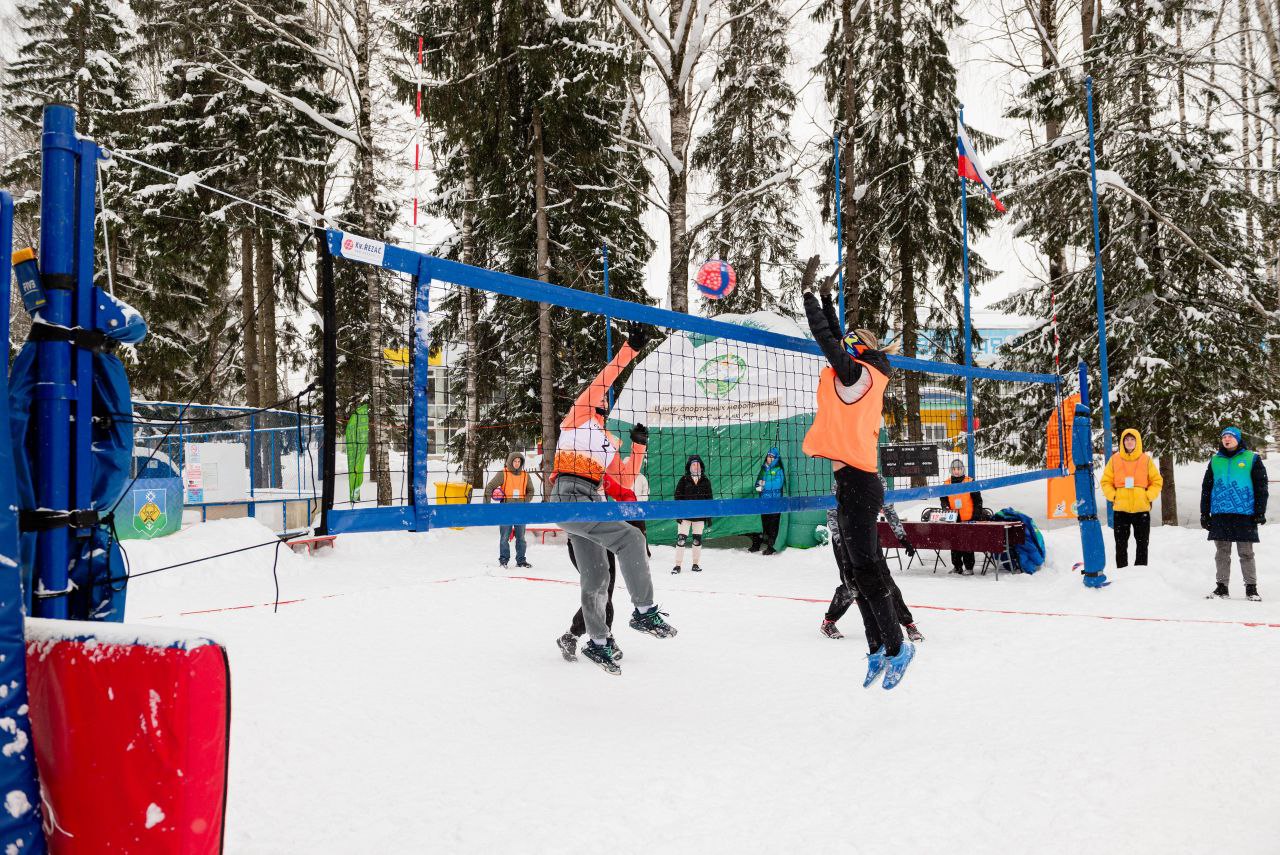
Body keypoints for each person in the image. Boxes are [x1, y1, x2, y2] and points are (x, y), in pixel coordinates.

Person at [799, 255, 915, 690]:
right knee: (854, 574)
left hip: (860, 485)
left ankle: (898, 647)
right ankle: (878, 649)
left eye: (849, 345)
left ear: (858, 350)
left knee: (866, 570)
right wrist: (827, 297)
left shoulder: (857, 375)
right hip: (851, 483)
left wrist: (808, 296)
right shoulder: (861, 373)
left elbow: (827, 339)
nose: (842, 350)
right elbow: (835, 337)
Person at [549, 323, 675, 675]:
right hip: (568, 495)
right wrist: (630, 350)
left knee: (598, 577)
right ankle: (644, 611)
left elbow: (623, 479)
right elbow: (604, 379)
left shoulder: (607, 440)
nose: (604, 397)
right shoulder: (577, 417)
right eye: (601, 395)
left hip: (592, 497)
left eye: (607, 397)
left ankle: (598, 642)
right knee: (631, 538)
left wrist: (639, 447)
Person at [557, 465, 649, 664]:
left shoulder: (605, 479)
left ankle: (597, 636)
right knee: (599, 588)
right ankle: (584, 635)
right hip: (582, 538)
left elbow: (626, 494)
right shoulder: (579, 476)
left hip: (607, 539)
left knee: (604, 590)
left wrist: (639, 527)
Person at [821, 475, 924, 643]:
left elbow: (889, 509)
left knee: (886, 581)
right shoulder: (843, 479)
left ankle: (908, 624)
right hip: (845, 536)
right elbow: (832, 514)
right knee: (851, 585)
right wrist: (841, 542)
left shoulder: (878, 480)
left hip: (868, 536)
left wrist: (902, 537)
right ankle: (829, 622)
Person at [1201, 426, 1267, 601]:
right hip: (1220, 513)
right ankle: (1222, 587)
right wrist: (1204, 513)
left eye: (1230, 436)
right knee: (1222, 552)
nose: (1227, 439)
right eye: (1224, 437)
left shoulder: (1252, 458)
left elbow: (1261, 487)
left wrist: (1260, 511)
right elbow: (1206, 488)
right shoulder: (1215, 460)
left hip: (1245, 513)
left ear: (1238, 439)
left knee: (1246, 552)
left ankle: (1251, 589)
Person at [1099, 428, 1162, 568]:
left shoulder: (1146, 460)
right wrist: (1113, 496)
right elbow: (1106, 482)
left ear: (1137, 441)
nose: (1129, 442)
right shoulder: (1114, 460)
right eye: (1126, 439)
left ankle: (1140, 572)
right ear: (1122, 442)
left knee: (1142, 544)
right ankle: (1122, 572)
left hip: (1141, 510)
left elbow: (1157, 481)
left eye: (1132, 439)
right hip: (1121, 510)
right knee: (1120, 544)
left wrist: (1148, 496)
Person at [483, 451, 538, 568]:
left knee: (521, 538)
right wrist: (486, 505)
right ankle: (503, 561)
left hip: (520, 510)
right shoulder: (503, 473)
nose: (517, 463)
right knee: (504, 538)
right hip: (505, 510)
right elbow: (490, 487)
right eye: (515, 461)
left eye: (519, 461)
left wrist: (525, 501)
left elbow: (531, 490)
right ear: (510, 461)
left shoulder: (525, 475)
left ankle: (521, 561)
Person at [941, 459, 983, 575]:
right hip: (953, 518)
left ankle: (969, 567)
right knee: (954, 543)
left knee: (967, 543)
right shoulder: (946, 483)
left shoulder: (970, 482)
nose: (956, 471)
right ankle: (957, 566)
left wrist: (976, 516)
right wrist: (945, 507)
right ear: (951, 470)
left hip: (968, 518)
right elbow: (943, 499)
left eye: (959, 469)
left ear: (962, 469)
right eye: (954, 469)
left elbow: (978, 501)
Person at [672, 454, 713, 573]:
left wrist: (708, 516)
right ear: (689, 467)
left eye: (698, 464)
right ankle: (677, 565)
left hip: (699, 516)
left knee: (697, 540)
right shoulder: (684, 480)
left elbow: (709, 499)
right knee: (681, 540)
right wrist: (678, 514)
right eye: (693, 464)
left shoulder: (706, 481)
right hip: (685, 516)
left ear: (701, 466)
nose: (696, 466)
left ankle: (695, 564)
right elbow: (677, 497)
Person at [750, 448, 785, 555]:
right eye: (769, 456)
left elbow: (778, 484)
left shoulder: (778, 469)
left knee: (773, 525)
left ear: (776, 458)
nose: (770, 458)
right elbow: (758, 483)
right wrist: (759, 486)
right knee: (764, 523)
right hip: (763, 501)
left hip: (775, 502)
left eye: (772, 457)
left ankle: (771, 546)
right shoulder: (763, 468)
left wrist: (764, 485)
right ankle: (759, 543)